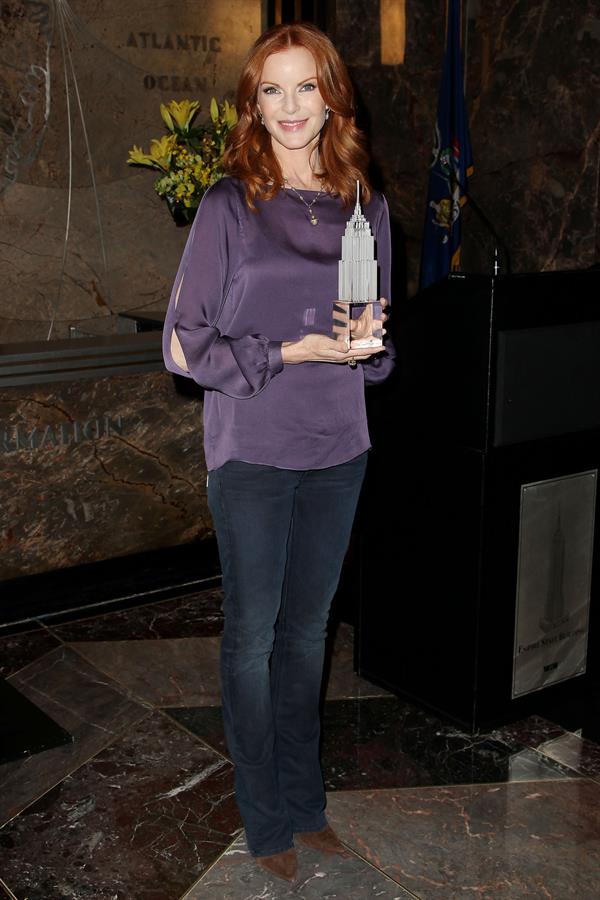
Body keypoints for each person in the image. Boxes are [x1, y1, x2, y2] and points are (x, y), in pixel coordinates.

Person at [162, 21, 395, 883]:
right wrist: (286, 352)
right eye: (273, 90)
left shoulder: (363, 203)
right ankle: (265, 817)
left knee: (307, 637)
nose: (292, 108)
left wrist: (368, 346)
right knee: (253, 638)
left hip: (339, 448)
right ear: (252, 104)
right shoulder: (231, 204)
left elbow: (377, 346)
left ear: (333, 95)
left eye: (307, 88)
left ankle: (305, 802)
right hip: (253, 448)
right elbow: (181, 347)